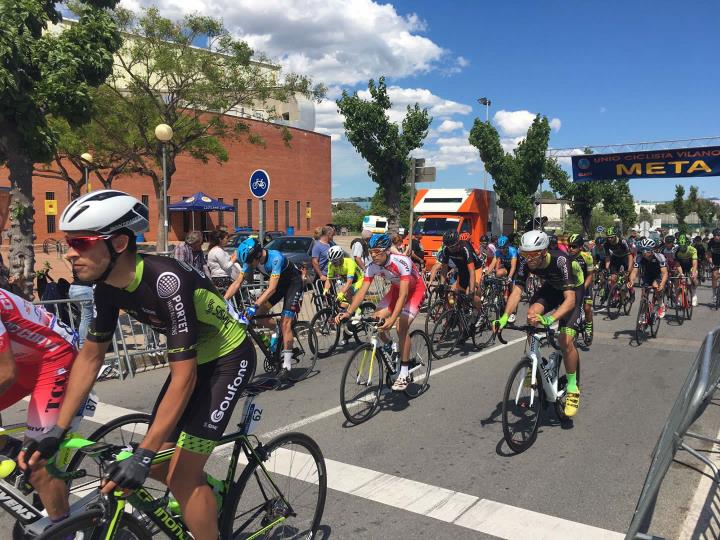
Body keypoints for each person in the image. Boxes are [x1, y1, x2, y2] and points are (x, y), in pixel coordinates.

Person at [23, 190, 255, 540]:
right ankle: (212, 493)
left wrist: (143, 455)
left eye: (82, 242)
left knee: (179, 475)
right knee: (162, 463)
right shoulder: (106, 288)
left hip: (228, 357)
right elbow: (91, 357)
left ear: (118, 243)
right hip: (195, 363)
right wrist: (58, 429)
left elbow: (184, 376)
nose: (70, 252)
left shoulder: (166, 282)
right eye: (70, 242)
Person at [0, 284, 79, 526]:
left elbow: (5, 374)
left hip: (54, 357)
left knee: (38, 464)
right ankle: (11, 454)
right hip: (23, 361)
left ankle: (65, 531)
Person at [494, 230, 583, 417]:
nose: (528, 259)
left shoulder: (561, 260)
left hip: (573, 292)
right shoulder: (525, 262)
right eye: (525, 254)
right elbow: (517, 292)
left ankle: (573, 387)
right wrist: (503, 318)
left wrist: (550, 319)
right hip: (551, 288)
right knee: (532, 314)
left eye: (533, 254)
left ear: (543, 251)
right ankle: (532, 362)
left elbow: (569, 301)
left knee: (565, 340)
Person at [336, 233, 426, 391]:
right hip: (396, 290)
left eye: (377, 251)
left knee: (400, 327)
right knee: (375, 320)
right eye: (371, 252)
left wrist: (392, 320)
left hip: (415, 291)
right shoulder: (372, 266)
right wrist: (349, 312)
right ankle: (392, 347)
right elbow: (362, 291)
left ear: (387, 251)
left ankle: (404, 373)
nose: (373, 255)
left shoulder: (401, 261)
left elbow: (404, 295)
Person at [225, 237, 304, 379]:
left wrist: (253, 306)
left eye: (249, 261)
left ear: (257, 255)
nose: (248, 265)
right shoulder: (251, 260)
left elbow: (272, 289)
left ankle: (287, 365)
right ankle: (277, 329)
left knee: (286, 322)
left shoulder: (276, 258)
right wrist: (224, 300)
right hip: (279, 287)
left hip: (293, 285)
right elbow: (238, 283)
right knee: (260, 315)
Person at [429, 231, 480, 310]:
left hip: (476, 268)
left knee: (470, 294)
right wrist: (442, 284)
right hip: (462, 270)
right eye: (449, 247)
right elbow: (444, 268)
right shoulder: (446, 249)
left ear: (458, 242)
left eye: (453, 246)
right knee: (455, 293)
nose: (451, 249)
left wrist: (471, 291)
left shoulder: (465, 248)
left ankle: (479, 311)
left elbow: (472, 271)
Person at [629, 238, 668, 318]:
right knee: (644, 294)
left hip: (658, 275)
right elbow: (634, 272)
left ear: (652, 250)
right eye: (643, 250)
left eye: (647, 250)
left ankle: (661, 305)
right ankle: (643, 313)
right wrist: (632, 281)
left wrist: (662, 283)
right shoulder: (639, 257)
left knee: (655, 286)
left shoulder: (659, 257)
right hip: (647, 275)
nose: (644, 253)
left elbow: (665, 273)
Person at [567, 234, 595, 345]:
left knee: (587, 308)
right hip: (572, 284)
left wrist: (582, 288)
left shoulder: (587, 256)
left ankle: (588, 328)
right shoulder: (566, 257)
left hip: (585, 284)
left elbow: (590, 275)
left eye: (573, 246)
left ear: (580, 247)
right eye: (569, 246)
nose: (570, 249)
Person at [206, 229, 240, 294]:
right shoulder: (218, 251)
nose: (228, 240)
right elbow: (226, 266)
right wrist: (234, 258)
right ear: (220, 239)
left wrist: (231, 258)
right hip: (222, 279)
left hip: (220, 278)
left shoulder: (217, 250)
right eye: (226, 238)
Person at [605, 227, 634, 291]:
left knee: (627, 277)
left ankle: (632, 291)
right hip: (615, 257)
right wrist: (607, 268)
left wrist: (629, 270)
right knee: (613, 278)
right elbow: (607, 257)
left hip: (625, 257)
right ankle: (614, 295)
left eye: (611, 237)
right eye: (608, 237)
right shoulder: (606, 243)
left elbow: (630, 256)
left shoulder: (622, 241)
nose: (609, 239)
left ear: (615, 236)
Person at [68, 277, 93, 348]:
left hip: (73, 288)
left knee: (84, 318)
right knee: (86, 319)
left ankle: (84, 342)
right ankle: (83, 345)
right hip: (85, 289)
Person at [674, 234, 698, 306]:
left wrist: (693, 273)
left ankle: (693, 294)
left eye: (684, 245)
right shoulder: (676, 250)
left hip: (690, 266)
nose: (682, 247)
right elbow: (677, 264)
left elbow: (694, 263)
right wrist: (681, 274)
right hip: (681, 267)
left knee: (693, 277)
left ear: (687, 244)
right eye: (680, 246)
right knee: (676, 279)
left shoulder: (692, 249)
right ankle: (677, 296)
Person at [708, 229, 720, 302]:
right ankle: (714, 293)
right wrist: (711, 262)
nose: (717, 237)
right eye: (715, 236)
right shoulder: (711, 242)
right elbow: (708, 254)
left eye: (718, 236)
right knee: (714, 276)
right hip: (715, 261)